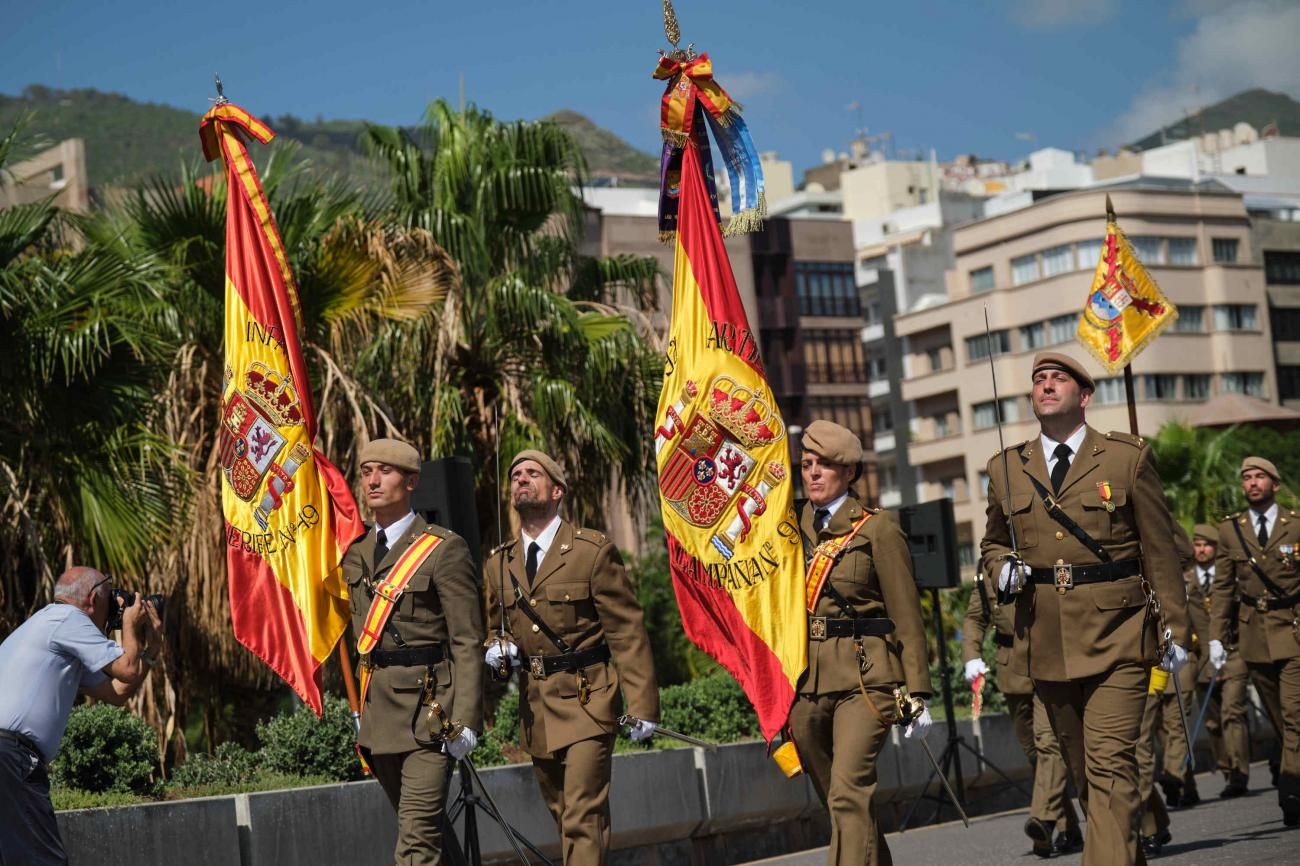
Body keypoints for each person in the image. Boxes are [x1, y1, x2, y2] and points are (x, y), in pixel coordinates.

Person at [979, 351, 1189, 866]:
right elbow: (991, 542)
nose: (1046, 385)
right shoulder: (1006, 467)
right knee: (1084, 776)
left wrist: (1177, 631)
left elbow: (1160, 550)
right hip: (1046, 640)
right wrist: (1000, 565)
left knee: (1111, 766)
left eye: (1059, 379)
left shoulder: (1125, 458)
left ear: (1084, 395)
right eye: (1039, 380)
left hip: (1120, 632)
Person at [483, 449, 659, 866]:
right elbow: (495, 626)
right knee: (564, 815)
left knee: (582, 815)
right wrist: (496, 648)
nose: (521, 480)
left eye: (532, 474)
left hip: (588, 699)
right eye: (516, 475)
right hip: (536, 706)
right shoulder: (498, 564)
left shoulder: (590, 552)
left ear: (557, 490)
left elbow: (626, 630)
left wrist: (643, 705)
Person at [787, 420, 931, 866]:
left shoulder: (877, 529)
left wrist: (919, 691)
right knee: (839, 802)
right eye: (807, 464)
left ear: (848, 472)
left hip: (865, 679)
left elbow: (906, 613)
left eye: (824, 465)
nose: (813, 473)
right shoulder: (788, 527)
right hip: (805, 684)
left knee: (849, 792)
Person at [341, 438, 484, 866]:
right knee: (427, 829)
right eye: (366, 472)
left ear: (411, 482)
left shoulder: (443, 549)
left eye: (384, 471)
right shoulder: (356, 554)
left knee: (416, 844)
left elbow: (466, 640)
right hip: (379, 717)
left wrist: (466, 719)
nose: (372, 480)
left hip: (430, 714)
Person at [0, 566, 162, 866]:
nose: (115, 606)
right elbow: (126, 669)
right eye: (111, 597)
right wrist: (128, 623)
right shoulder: (70, 620)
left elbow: (117, 692)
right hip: (11, 757)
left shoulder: (50, 626)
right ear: (92, 599)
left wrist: (150, 652)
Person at [962, 576, 1081, 857]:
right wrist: (971, 654)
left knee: (1048, 743)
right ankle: (1068, 826)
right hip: (1011, 669)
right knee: (1034, 752)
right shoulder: (988, 572)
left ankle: (1042, 821)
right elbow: (975, 618)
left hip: (1050, 662)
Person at [1210, 456, 1300, 825]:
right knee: (1280, 719)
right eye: (1246, 477)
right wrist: (1216, 637)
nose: (1252, 482)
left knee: (1295, 715)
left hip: (1293, 630)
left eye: (1260, 476)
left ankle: (1291, 789)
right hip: (1253, 635)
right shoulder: (1231, 531)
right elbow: (1222, 588)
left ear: (1274, 484)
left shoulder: (1295, 525)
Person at [1186, 523, 1250, 798]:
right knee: (1212, 722)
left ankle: (1240, 773)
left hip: (1234, 653)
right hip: (1203, 660)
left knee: (1232, 712)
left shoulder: (1231, 577)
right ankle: (1226, 769)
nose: (1201, 550)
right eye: (1197, 545)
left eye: (1207, 545)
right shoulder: (1186, 582)